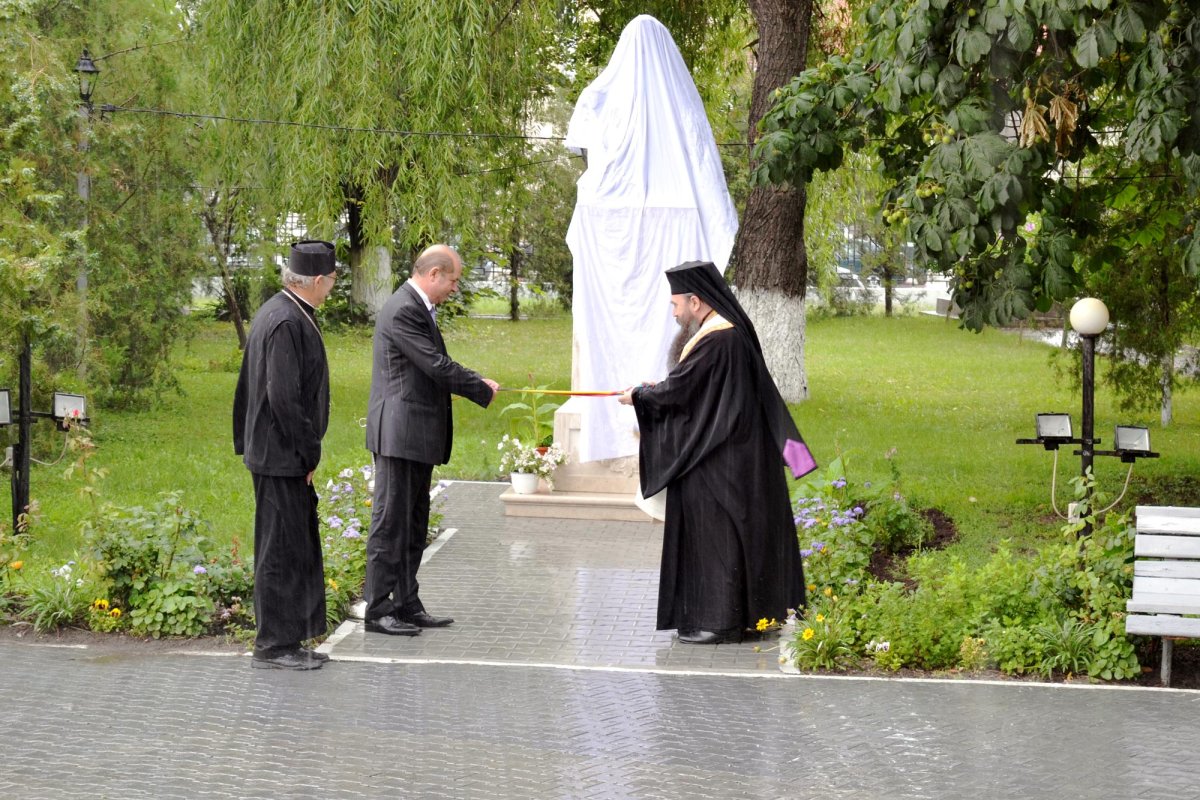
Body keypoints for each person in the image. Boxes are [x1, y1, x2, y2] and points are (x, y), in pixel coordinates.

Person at [619, 260, 817, 644]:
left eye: (676, 303)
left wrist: (641, 396)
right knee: (732, 535)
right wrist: (657, 388)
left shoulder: (718, 338)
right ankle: (741, 617)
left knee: (717, 537)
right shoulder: (724, 333)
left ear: (696, 301)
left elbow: (682, 391)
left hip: (720, 459)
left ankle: (719, 622)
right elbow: (699, 388)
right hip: (735, 451)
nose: (674, 311)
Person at [363, 244, 498, 636]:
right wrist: (479, 387)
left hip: (415, 433)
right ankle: (379, 609)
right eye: (453, 280)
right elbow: (435, 365)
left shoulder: (417, 306)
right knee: (391, 523)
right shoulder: (404, 308)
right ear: (434, 274)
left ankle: (406, 602)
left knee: (413, 522)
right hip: (399, 433)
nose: (455, 288)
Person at [233, 240, 338, 670]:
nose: (331, 288)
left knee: (291, 544)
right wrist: (309, 451)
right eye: (331, 281)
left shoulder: (284, 311)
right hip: (281, 455)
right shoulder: (285, 320)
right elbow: (283, 398)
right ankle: (274, 644)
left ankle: (288, 638)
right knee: (278, 549)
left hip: (278, 452)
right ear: (315, 281)